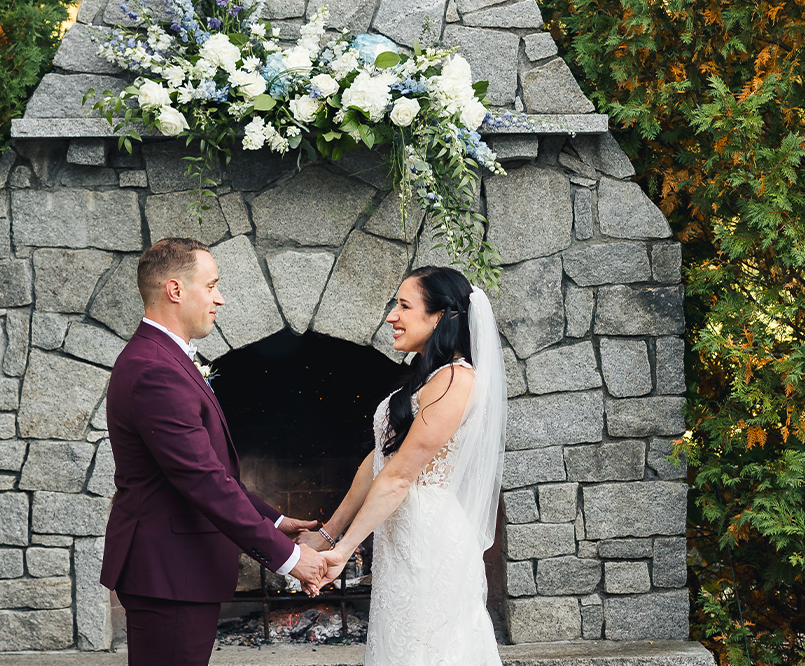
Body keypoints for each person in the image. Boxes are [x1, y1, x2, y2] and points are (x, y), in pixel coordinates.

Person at [99, 237, 328, 666]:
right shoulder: (154, 370)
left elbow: (210, 470)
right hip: (166, 572)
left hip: (175, 571)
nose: (220, 298)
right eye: (212, 285)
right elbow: (202, 480)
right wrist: (291, 559)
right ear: (175, 290)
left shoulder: (164, 358)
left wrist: (273, 519)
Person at [303, 265, 507, 666]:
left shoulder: (458, 381)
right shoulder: (427, 379)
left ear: (439, 316)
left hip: (428, 543)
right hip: (401, 538)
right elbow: (379, 461)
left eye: (403, 305)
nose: (391, 316)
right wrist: (328, 535)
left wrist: (344, 552)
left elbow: (398, 477)